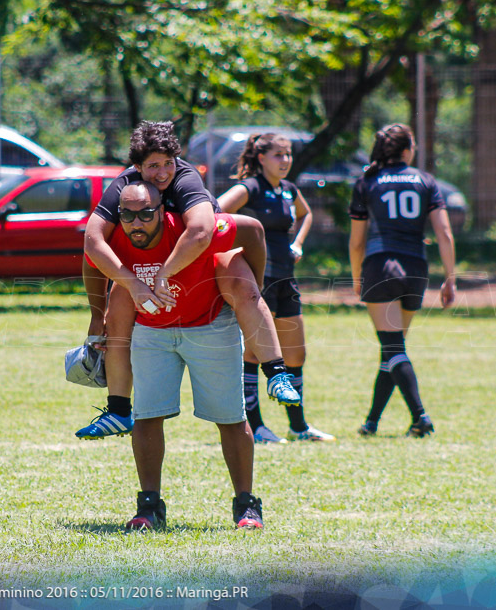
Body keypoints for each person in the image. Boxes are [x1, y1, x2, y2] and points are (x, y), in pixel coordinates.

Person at [77, 121, 300, 439]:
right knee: (120, 297)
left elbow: (219, 231)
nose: (163, 173)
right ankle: (118, 409)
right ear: (138, 167)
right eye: (153, 166)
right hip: (157, 265)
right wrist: (100, 312)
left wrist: (256, 286)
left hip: (202, 254)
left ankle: (277, 373)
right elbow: (92, 246)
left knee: (239, 283)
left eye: (168, 163)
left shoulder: (185, 179)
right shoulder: (127, 189)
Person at [87, 180, 264, 530]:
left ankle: (247, 506)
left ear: (164, 212)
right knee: (148, 416)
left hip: (210, 324)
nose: (136, 223)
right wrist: (97, 315)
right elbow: (92, 257)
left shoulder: (193, 227)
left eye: (146, 214)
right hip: (153, 330)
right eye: (127, 214)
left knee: (230, 418)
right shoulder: (115, 234)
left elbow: (252, 230)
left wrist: (256, 290)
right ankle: (149, 506)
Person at [217, 133, 334, 444]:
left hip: (286, 279)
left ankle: (299, 427)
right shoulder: (250, 188)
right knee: (254, 353)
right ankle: (255, 428)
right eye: (278, 155)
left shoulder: (288, 190)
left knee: (295, 354)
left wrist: (298, 242)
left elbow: (306, 214)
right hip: (259, 280)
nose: (285, 160)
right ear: (261, 158)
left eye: (288, 154)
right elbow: (216, 212)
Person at [348, 123, 456, 438]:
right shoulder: (426, 181)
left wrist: (357, 277)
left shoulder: (367, 181)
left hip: (381, 266)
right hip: (416, 269)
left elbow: (357, 242)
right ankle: (371, 422)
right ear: (407, 149)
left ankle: (420, 416)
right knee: (393, 349)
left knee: (392, 347)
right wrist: (450, 278)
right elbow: (444, 233)